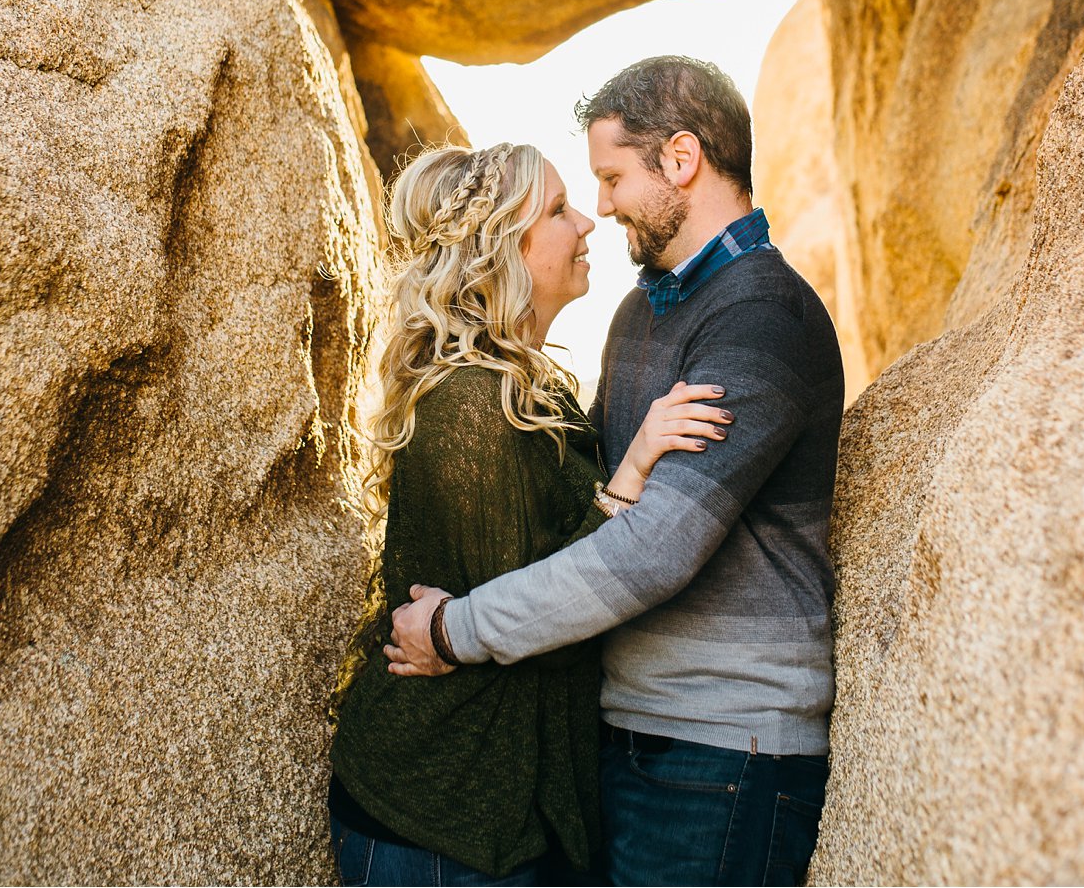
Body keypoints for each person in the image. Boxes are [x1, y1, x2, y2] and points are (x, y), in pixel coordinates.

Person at [386, 60, 844, 888]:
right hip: (626, 737)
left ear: (680, 159)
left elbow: (651, 550)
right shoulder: (639, 313)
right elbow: (591, 506)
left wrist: (457, 631)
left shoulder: (761, 315)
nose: (600, 207)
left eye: (610, 177)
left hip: (725, 747)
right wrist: (630, 462)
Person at [329, 140, 736, 887]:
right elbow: (545, 615)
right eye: (556, 210)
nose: (586, 219)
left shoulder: (529, 389)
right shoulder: (470, 408)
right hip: (442, 819)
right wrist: (636, 467)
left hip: (505, 811)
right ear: (501, 255)